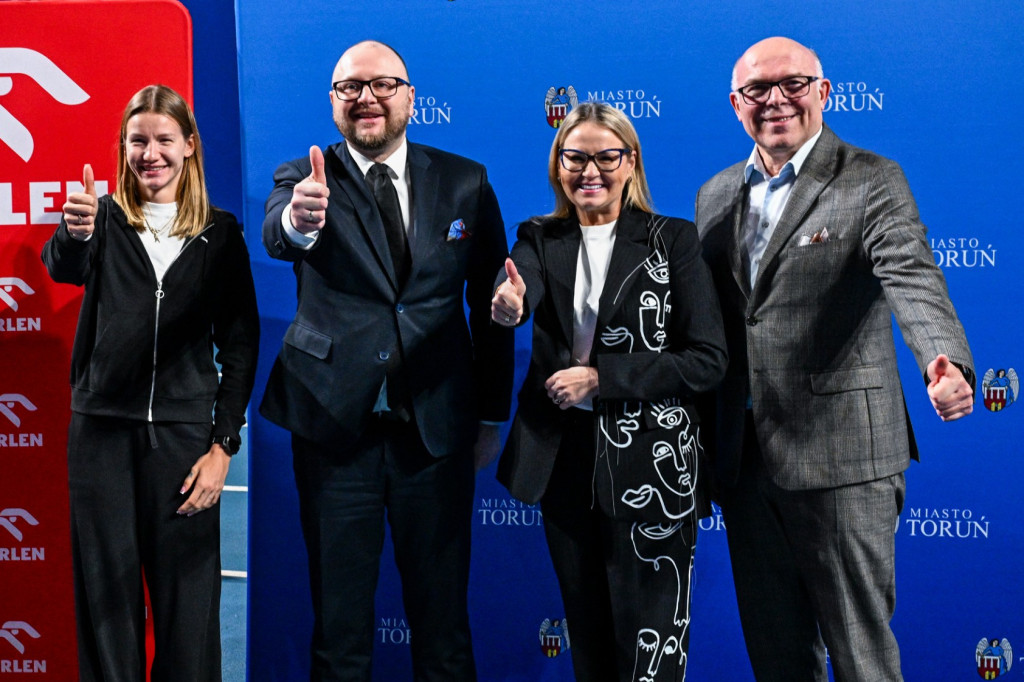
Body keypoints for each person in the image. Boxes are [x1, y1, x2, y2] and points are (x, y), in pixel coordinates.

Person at [694, 36, 975, 681]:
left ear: (823, 92)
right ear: (736, 104)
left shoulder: (872, 178)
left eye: (793, 84)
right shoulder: (713, 196)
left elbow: (911, 274)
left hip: (846, 460)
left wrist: (942, 358)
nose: (777, 100)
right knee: (777, 658)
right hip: (745, 462)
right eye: (758, 90)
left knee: (861, 658)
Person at [260, 40, 514, 681]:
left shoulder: (465, 180)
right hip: (333, 431)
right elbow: (279, 234)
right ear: (333, 102)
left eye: (381, 85)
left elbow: (493, 303)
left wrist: (490, 414)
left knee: (443, 629)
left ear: (409, 96)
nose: (365, 97)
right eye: (349, 88)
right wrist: (298, 220)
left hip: (434, 434)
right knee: (339, 629)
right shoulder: (302, 177)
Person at [491, 102, 727, 682]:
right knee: (590, 641)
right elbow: (521, 282)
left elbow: (707, 359)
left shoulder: (674, 240)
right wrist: (509, 302)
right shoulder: (539, 237)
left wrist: (603, 378)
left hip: (655, 466)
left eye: (605, 156)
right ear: (558, 164)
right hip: (563, 461)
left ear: (630, 162)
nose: (589, 170)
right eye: (575, 156)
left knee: (652, 649)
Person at [41, 84, 259, 681]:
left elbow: (240, 350)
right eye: (138, 140)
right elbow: (62, 264)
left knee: (189, 616)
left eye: (164, 139)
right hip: (101, 437)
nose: (151, 153)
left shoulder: (221, 234)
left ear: (189, 146)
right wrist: (75, 232)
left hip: (186, 442)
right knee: (106, 610)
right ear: (123, 148)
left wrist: (222, 449)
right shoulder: (103, 220)